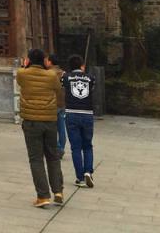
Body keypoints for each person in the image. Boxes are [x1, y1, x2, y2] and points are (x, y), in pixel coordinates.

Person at [16, 48, 65, 208]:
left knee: (36, 159)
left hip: (31, 121)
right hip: (50, 120)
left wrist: (25, 65)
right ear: (44, 60)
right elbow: (58, 90)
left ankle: (43, 196)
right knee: (53, 156)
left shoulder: (22, 73)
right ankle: (58, 191)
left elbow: (20, 78)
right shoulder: (51, 75)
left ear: (29, 59)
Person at [62, 55, 95, 188]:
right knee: (87, 146)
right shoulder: (91, 78)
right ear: (82, 66)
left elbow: (61, 86)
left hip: (71, 113)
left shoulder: (66, 77)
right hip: (87, 114)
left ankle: (80, 177)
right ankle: (88, 171)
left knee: (76, 147)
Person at [47, 54, 66, 158]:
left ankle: (57, 147)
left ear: (50, 62)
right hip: (62, 103)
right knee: (61, 127)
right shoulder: (63, 73)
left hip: (52, 103)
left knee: (52, 127)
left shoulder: (49, 73)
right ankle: (61, 148)